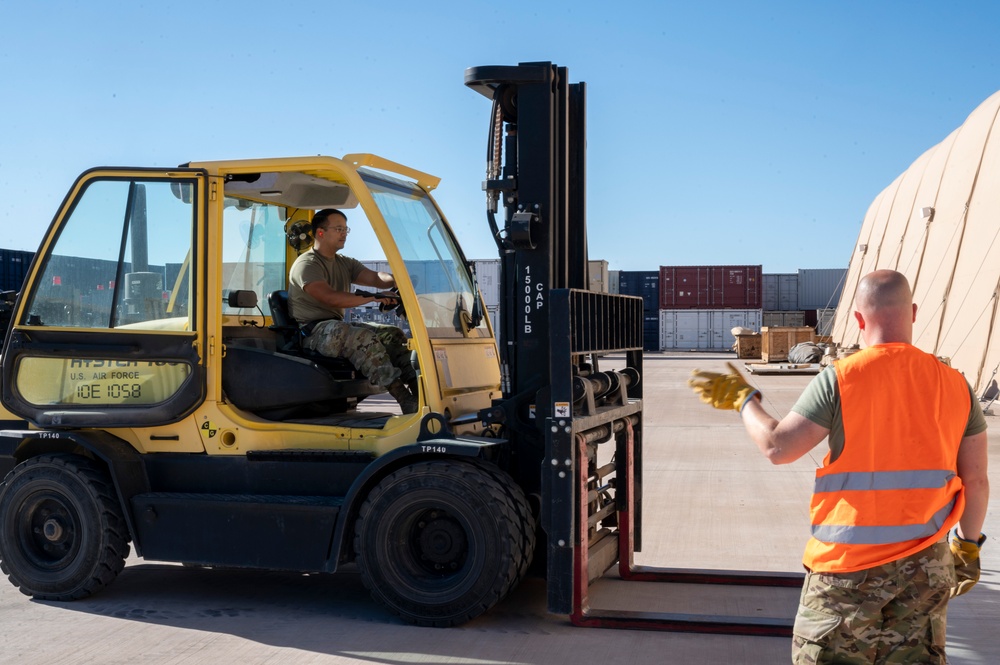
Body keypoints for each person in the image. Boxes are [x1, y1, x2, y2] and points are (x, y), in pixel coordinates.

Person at [689, 269, 989, 664]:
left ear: (859, 320)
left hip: (847, 570)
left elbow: (779, 447)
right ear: (913, 313)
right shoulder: (956, 384)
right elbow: (977, 481)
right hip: (925, 567)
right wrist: (968, 546)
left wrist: (744, 400)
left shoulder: (842, 378)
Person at [288, 208, 419, 414]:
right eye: (339, 229)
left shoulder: (345, 263)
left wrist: (396, 280)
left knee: (392, 335)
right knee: (361, 337)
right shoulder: (306, 265)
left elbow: (376, 278)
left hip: (336, 328)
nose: (344, 233)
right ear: (320, 232)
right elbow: (330, 297)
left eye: (345, 229)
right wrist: (372, 297)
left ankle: (419, 391)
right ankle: (404, 399)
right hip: (312, 332)